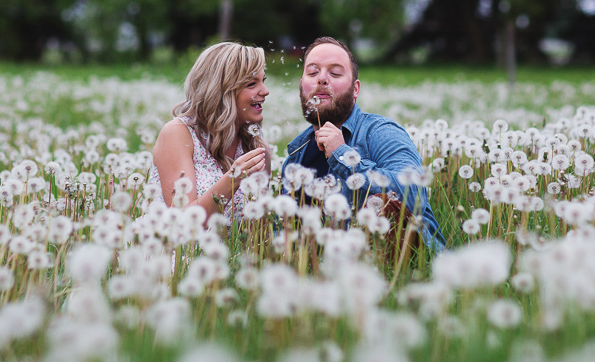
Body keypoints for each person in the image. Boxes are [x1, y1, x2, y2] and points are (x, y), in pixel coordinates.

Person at [282, 37, 446, 251]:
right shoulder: (297, 157)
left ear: (355, 89)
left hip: (406, 271)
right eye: (312, 72)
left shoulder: (381, 132)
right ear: (302, 86)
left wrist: (343, 156)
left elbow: (413, 194)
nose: (322, 78)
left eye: (335, 73)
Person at [150, 42, 270, 218]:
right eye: (252, 84)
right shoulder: (178, 134)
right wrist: (233, 179)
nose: (265, 91)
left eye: (263, 81)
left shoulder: (256, 147)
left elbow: (258, 230)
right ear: (221, 91)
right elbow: (182, 221)